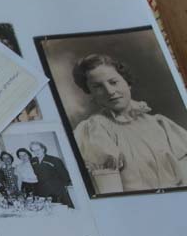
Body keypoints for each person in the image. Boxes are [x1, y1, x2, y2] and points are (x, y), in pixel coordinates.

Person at [71, 54, 187, 192]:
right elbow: (111, 195)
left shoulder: (161, 124)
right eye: (98, 86)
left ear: (127, 82)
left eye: (113, 82)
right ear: (90, 93)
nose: (110, 91)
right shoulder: (95, 130)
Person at [30, 141, 75, 208]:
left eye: (38, 150)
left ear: (43, 149)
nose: (36, 152)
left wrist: (62, 188)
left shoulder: (55, 160)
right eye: (34, 151)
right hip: (42, 191)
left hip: (56, 191)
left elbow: (65, 176)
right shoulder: (33, 161)